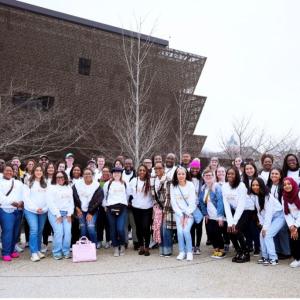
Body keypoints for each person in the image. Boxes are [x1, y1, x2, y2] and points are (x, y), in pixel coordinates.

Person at [250, 177, 285, 266]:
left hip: (279, 217)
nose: (255, 187)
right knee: (261, 235)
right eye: (253, 185)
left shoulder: (267, 196)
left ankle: (273, 258)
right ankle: (264, 257)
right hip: (269, 219)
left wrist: (265, 227)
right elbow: (259, 213)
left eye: (257, 185)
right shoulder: (256, 196)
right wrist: (262, 225)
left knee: (268, 235)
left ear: (261, 185)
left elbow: (269, 213)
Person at [222, 167, 250, 263]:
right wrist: (230, 222)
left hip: (246, 209)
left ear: (237, 175)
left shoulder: (241, 186)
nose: (230, 175)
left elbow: (242, 204)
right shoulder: (224, 186)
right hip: (234, 209)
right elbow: (226, 205)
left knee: (236, 229)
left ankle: (246, 253)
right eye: (228, 174)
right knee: (229, 229)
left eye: (232, 174)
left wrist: (234, 222)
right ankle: (239, 251)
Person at [198, 168, 226, 259]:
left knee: (218, 233)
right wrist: (205, 214)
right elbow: (201, 202)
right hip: (209, 216)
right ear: (203, 177)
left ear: (213, 177)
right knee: (211, 233)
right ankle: (215, 249)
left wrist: (220, 216)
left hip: (217, 215)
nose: (208, 177)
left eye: (210, 175)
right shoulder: (203, 188)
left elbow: (220, 202)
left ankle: (221, 250)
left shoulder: (217, 187)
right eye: (206, 176)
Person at [170, 166, 196, 261]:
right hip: (178, 214)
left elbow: (192, 202)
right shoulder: (173, 186)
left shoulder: (190, 185)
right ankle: (182, 251)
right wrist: (180, 215)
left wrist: (186, 215)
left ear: (186, 175)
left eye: (183, 174)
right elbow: (173, 202)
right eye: (179, 174)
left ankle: (189, 252)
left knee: (186, 231)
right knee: (180, 232)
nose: (181, 176)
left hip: (189, 214)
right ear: (176, 175)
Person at [47, 171, 74, 259]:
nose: (60, 179)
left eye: (62, 177)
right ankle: (57, 251)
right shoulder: (51, 187)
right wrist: (58, 215)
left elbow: (71, 202)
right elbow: (50, 202)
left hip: (67, 213)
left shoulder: (68, 187)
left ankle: (66, 251)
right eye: (58, 177)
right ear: (55, 178)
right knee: (59, 232)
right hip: (55, 213)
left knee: (67, 232)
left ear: (65, 177)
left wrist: (70, 214)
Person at [23, 164, 48, 262]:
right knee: (34, 229)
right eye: (36, 170)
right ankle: (33, 253)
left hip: (43, 211)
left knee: (39, 231)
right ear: (33, 172)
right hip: (31, 210)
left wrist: (44, 208)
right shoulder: (28, 182)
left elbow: (48, 198)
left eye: (40, 170)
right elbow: (26, 198)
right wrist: (36, 208)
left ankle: (38, 250)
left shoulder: (45, 183)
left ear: (42, 172)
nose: (38, 172)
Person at [151, 162, 175, 257]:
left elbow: (169, 197)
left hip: (167, 208)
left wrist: (165, 209)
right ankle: (162, 249)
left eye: (160, 168)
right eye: (156, 168)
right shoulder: (153, 180)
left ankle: (168, 250)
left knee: (166, 230)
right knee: (159, 229)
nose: (158, 170)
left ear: (164, 169)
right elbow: (153, 196)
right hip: (158, 209)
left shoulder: (168, 180)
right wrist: (156, 208)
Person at [73, 168, 103, 244]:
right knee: (83, 228)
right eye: (85, 174)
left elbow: (98, 201)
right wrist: (77, 208)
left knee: (90, 227)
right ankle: (84, 246)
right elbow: (72, 197)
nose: (87, 175)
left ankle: (94, 244)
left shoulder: (97, 186)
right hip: (80, 210)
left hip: (92, 211)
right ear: (83, 175)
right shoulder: (77, 185)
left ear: (92, 175)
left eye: (89, 174)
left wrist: (91, 213)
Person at [103, 167, 128, 257]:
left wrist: (125, 204)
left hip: (122, 208)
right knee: (112, 229)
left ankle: (122, 244)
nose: (116, 174)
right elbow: (104, 196)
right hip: (110, 208)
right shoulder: (108, 184)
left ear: (121, 174)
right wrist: (105, 206)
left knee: (120, 228)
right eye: (115, 172)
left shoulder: (124, 183)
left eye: (118, 172)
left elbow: (127, 195)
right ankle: (116, 247)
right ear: (112, 174)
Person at [0, 164, 24, 262]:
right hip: (5, 209)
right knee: (8, 231)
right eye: (7, 170)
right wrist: (11, 202)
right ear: (3, 171)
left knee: (15, 231)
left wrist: (21, 202)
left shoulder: (18, 182)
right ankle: (5, 252)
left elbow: (24, 193)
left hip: (18, 210)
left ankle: (12, 250)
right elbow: (1, 196)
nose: (9, 172)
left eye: (11, 171)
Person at [267, 167, 291, 259]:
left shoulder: (283, 186)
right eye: (272, 173)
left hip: (283, 213)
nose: (274, 175)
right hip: (272, 213)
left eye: (276, 174)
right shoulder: (268, 186)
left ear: (280, 176)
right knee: (273, 232)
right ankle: (277, 250)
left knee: (282, 231)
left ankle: (286, 252)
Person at [130, 164, 153, 256]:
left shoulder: (150, 181)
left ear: (146, 171)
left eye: (144, 170)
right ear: (138, 171)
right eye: (140, 170)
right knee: (138, 228)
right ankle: (141, 246)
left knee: (146, 228)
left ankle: (147, 247)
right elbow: (129, 192)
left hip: (147, 208)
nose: (142, 172)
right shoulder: (133, 181)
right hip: (136, 208)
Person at [281, 177, 300, 268]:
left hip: (299, 220)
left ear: (293, 184)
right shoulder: (284, 196)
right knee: (293, 238)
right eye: (284, 185)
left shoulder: (299, 193)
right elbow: (286, 213)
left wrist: (296, 225)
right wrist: (292, 225)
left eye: (289, 184)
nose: (287, 186)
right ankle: (297, 259)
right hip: (292, 221)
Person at [243, 162, 260, 256]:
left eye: (251, 168)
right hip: (246, 208)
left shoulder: (259, 179)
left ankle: (257, 247)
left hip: (256, 208)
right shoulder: (243, 181)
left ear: (254, 169)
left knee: (255, 228)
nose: (249, 170)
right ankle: (249, 245)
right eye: (247, 169)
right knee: (247, 228)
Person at [122, 158, 138, 250]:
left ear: (132, 164)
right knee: (125, 225)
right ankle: (125, 242)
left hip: (133, 204)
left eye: (130, 163)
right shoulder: (121, 174)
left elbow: (135, 190)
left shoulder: (135, 175)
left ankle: (136, 242)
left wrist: (131, 201)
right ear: (124, 164)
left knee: (134, 225)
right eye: (126, 163)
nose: (128, 165)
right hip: (123, 204)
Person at [189, 159, 203, 255]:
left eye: (197, 168)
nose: (195, 170)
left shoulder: (201, 179)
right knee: (191, 227)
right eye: (193, 168)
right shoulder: (187, 179)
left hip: (199, 206)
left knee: (199, 226)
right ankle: (192, 245)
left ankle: (197, 246)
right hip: (190, 206)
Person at [97, 166, 111, 249]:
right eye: (104, 171)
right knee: (99, 224)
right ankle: (99, 240)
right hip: (100, 206)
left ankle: (108, 241)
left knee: (108, 224)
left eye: (107, 171)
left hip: (108, 206)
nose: (105, 173)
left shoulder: (111, 182)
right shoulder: (98, 181)